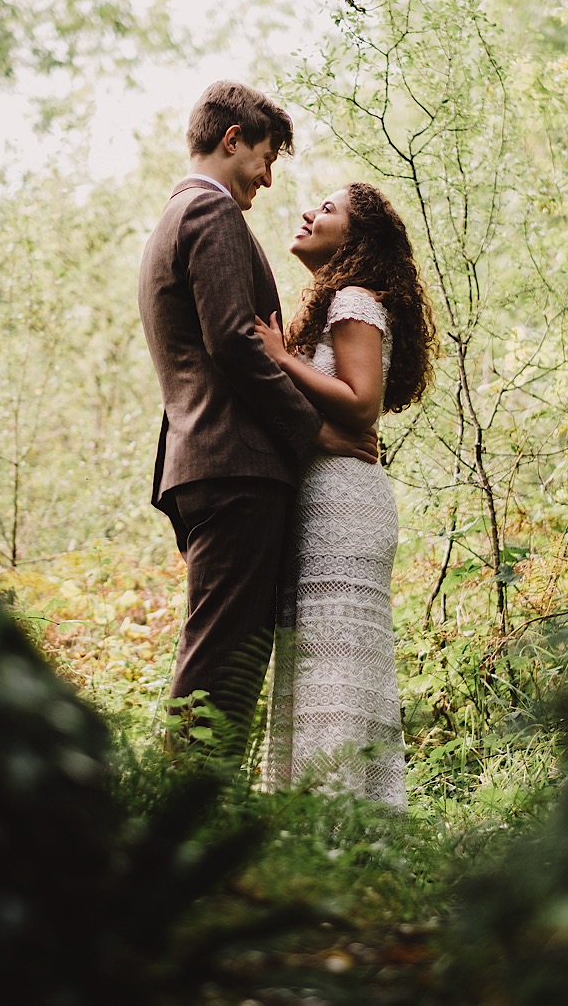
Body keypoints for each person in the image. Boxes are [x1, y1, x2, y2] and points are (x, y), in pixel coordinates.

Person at [137, 82, 380, 751]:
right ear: (231, 139)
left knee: (226, 653)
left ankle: (197, 812)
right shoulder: (210, 216)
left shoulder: (176, 217)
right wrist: (316, 432)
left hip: (209, 462)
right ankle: (184, 817)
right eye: (265, 159)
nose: (269, 180)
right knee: (223, 662)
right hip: (235, 464)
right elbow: (233, 342)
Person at [254, 182, 437, 808]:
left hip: (343, 507)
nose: (308, 212)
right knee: (315, 673)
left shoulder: (355, 298)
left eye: (327, 210)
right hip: (318, 498)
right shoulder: (333, 302)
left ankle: (343, 834)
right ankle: (317, 831)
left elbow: (362, 404)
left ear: (357, 240)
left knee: (340, 672)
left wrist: (280, 357)